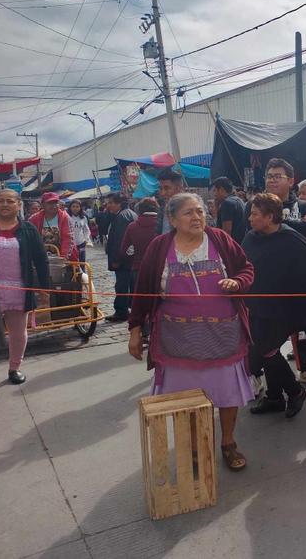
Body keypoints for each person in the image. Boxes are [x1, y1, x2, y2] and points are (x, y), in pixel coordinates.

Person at [128, 193, 255, 471]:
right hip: (178, 339)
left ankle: (228, 442)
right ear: (172, 219)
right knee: (187, 398)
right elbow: (142, 290)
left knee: (227, 392)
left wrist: (237, 281)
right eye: (188, 213)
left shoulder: (220, 240)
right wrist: (135, 329)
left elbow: (247, 268)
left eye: (200, 211)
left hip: (223, 335)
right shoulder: (159, 247)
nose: (197, 217)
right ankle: (196, 445)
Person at [243, 193, 306, 416]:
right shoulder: (251, 237)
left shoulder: (293, 241)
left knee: (266, 350)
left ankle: (295, 391)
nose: (250, 218)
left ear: (270, 217)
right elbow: (243, 267)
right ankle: (275, 397)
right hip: (258, 308)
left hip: (286, 311)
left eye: (254, 214)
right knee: (263, 351)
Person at [0, 189, 49, 390]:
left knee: (17, 332)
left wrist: (44, 288)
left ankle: (14, 368)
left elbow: (41, 260)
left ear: (18, 204)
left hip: (19, 290)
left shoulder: (29, 230)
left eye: (10, 201)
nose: (5, 204)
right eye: (1, 201)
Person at [261, 158, 306, 245]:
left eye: (277, 177)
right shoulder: (256, 205)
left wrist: (275, 222)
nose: (272, 180)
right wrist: (300, 223)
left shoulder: (303, 206)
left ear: (291, 182)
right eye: (269, 177)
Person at [104, 193, 137, 322]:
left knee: (122, 285)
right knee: (129, 284)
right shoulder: (128, 214)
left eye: (111, 203)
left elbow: (120, 242)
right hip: (129, 258)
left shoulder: (122, 217)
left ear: (119, 203)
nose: (108, 205)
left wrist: (117, 260)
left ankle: (121, 311)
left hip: (123, 260)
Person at [119, 197, 160, 290]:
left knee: (139, 300)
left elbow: (123, 251)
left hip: (138, 268)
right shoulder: (162, 225)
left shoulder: (132, 227)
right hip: (159, 269)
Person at [28, 192, 76, 261]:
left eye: (56, 203)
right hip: (40, 257)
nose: (54, 205)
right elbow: (30, 239)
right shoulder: (34, 219)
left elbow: (68, 239)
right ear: (42, 205)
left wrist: (63, 258)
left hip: (61, 257)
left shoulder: (65, 217)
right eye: (50, 203)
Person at [212, 176, 247, 244]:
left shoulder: (227, 204)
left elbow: (226, 233)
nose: (214, 194)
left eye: (215, 190)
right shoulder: (238, 200)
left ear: (221, 190)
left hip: (232, 248)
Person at [156, 167, 186, 235]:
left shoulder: (191, 210)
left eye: (167, 188)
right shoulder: (162, 210)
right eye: (160, 188)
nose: (162, 193)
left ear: (179, 188)